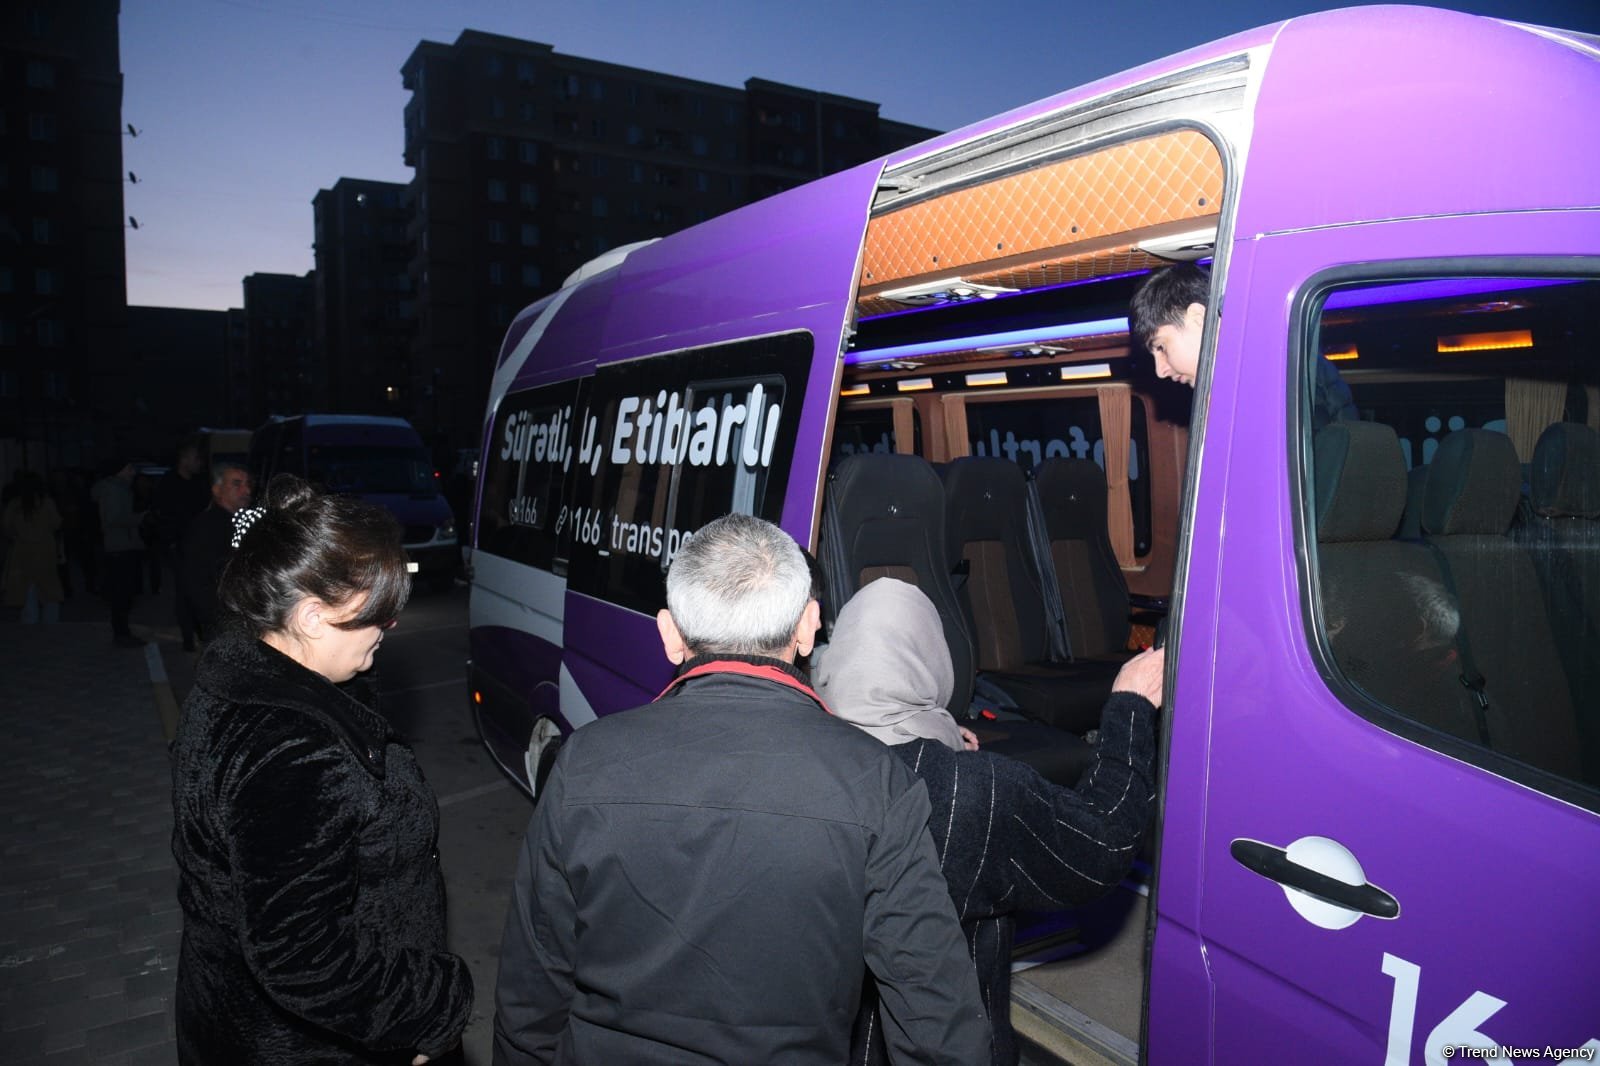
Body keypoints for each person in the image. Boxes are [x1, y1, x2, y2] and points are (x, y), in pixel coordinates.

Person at [493, 513, 989, 1066]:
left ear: (670, 635)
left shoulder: (583, 765)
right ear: (808, 627)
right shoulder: (876, 780)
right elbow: (938, 1024)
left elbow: (530, 998)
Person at [169, 473, 472, 1065]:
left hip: (230, 1016)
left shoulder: (250, 670)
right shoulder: (289, 749)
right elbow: (302, 956)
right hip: (306, 1047)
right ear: (309, 617)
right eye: (373, 614)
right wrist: (432, 1006)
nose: (389, 628)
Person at [812, 578, 1163, 1066]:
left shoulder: (792, 758)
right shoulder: (976, 790)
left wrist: (934, 731)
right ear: (932, 659)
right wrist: (1130, 705)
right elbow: (1099, 846)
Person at [1129, 262, 1357, 428]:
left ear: (1198, 318)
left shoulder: (1258, 393)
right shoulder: (1282, 365)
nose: (1160, 370)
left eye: (1160, 347)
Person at [179, 462, 251, 645]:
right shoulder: (207, 526)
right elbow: (197, 578)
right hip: (222, 620)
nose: (246, 490)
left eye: (247, 484)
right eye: (236, 484)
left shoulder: (240, 522)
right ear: (217, 490)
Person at [154, 438, 213, 648]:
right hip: (179, 546)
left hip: (199, 545)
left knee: (200, 589)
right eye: (197, 458)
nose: (200, 463)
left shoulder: (199, 483)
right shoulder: (169, 483)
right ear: (185, 458)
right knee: (184, 591)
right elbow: (165, 517)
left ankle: (199, 631)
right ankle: (188, 635)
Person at [92, 458, 145, 647]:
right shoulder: (115, 490)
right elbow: (114, 520)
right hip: (120, 546)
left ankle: (122, 632)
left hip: (120, 545)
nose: (133, 472)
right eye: (129, 468)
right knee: (122, 593)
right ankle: (122, 634)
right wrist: (139, 518)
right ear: (120, 470)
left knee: (122, 593)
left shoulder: (117, 489)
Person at [2, 470, 64, 623]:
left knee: (27, 588)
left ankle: (30, 620)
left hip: (22, 550)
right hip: (45, 549)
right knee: (49, 588)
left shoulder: (14, 504)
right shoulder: (47, 502)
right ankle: (50, 621)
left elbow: (6, 527)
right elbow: (56, 523)